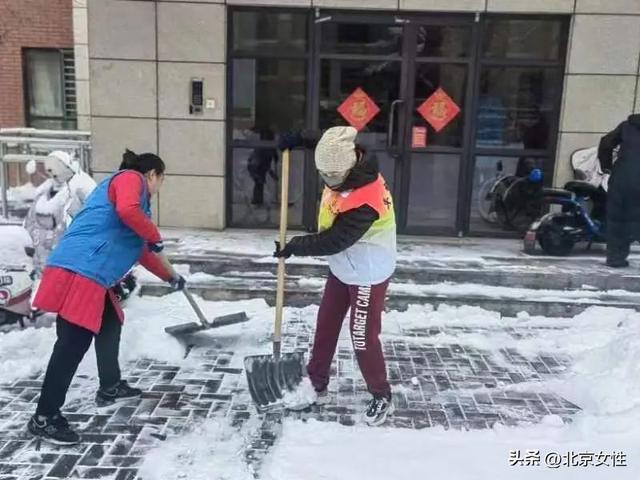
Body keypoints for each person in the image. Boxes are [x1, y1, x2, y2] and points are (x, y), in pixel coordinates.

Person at [27, 149, 186, 445]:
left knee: (110, 322)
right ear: (152, 174)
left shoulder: (137, 207)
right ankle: (44, 417)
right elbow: (130, 214)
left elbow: (143, 250)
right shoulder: (129, 179)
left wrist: (171, 276)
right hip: (82, 270)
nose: (158, 187)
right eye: (160, 180)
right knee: (72, 344)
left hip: (90, 272)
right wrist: (154, 234)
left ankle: (110, 386)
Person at [275, 126, 396, 426]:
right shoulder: (340, 153)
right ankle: (316, 382)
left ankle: (381, 394)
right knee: (326, 323)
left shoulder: (366, 199)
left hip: (367, 270)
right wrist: (297, 138)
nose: (328, 181)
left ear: (350, 165)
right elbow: (325, 142)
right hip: (344, 265)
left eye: (332, 176)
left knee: (362, 335)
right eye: (324, 174)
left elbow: (334, 239)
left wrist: (294, 247)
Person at [598, 114, 640, 268]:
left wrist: (606, 167)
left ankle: (615, 258)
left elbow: (605, 143)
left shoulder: (627, 126)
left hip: (622, 178)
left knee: (617, 219)